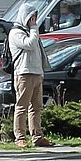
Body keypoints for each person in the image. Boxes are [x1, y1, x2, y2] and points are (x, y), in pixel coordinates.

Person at [7, 8, 50, 148]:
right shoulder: (16, 32)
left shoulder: (32, 32)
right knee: (22, 107)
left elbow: (38, 53)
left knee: (36, 107)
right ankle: (20, 137)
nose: (34, 20)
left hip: (37, 74)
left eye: (35, 17)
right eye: (31, 17)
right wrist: (34, 28)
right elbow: (30, 45)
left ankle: (37, 136)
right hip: (24, 74)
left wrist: (41, 72)